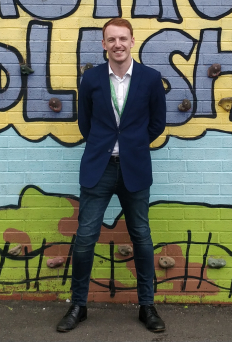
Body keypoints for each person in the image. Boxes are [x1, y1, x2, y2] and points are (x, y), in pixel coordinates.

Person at [56, 18, 167, 333]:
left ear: (133, 41)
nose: (117, 44)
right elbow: (86, 125)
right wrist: (105, 146)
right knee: (85, 239)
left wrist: (133, 144)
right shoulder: (90, 79)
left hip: (134, 167)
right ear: (103, 44)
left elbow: (157, 123)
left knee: (142, 238)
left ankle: (147, 306)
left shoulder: (150, 78)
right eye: (111, 39)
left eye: (123, 38)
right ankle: (79, 305)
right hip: (99, 168)